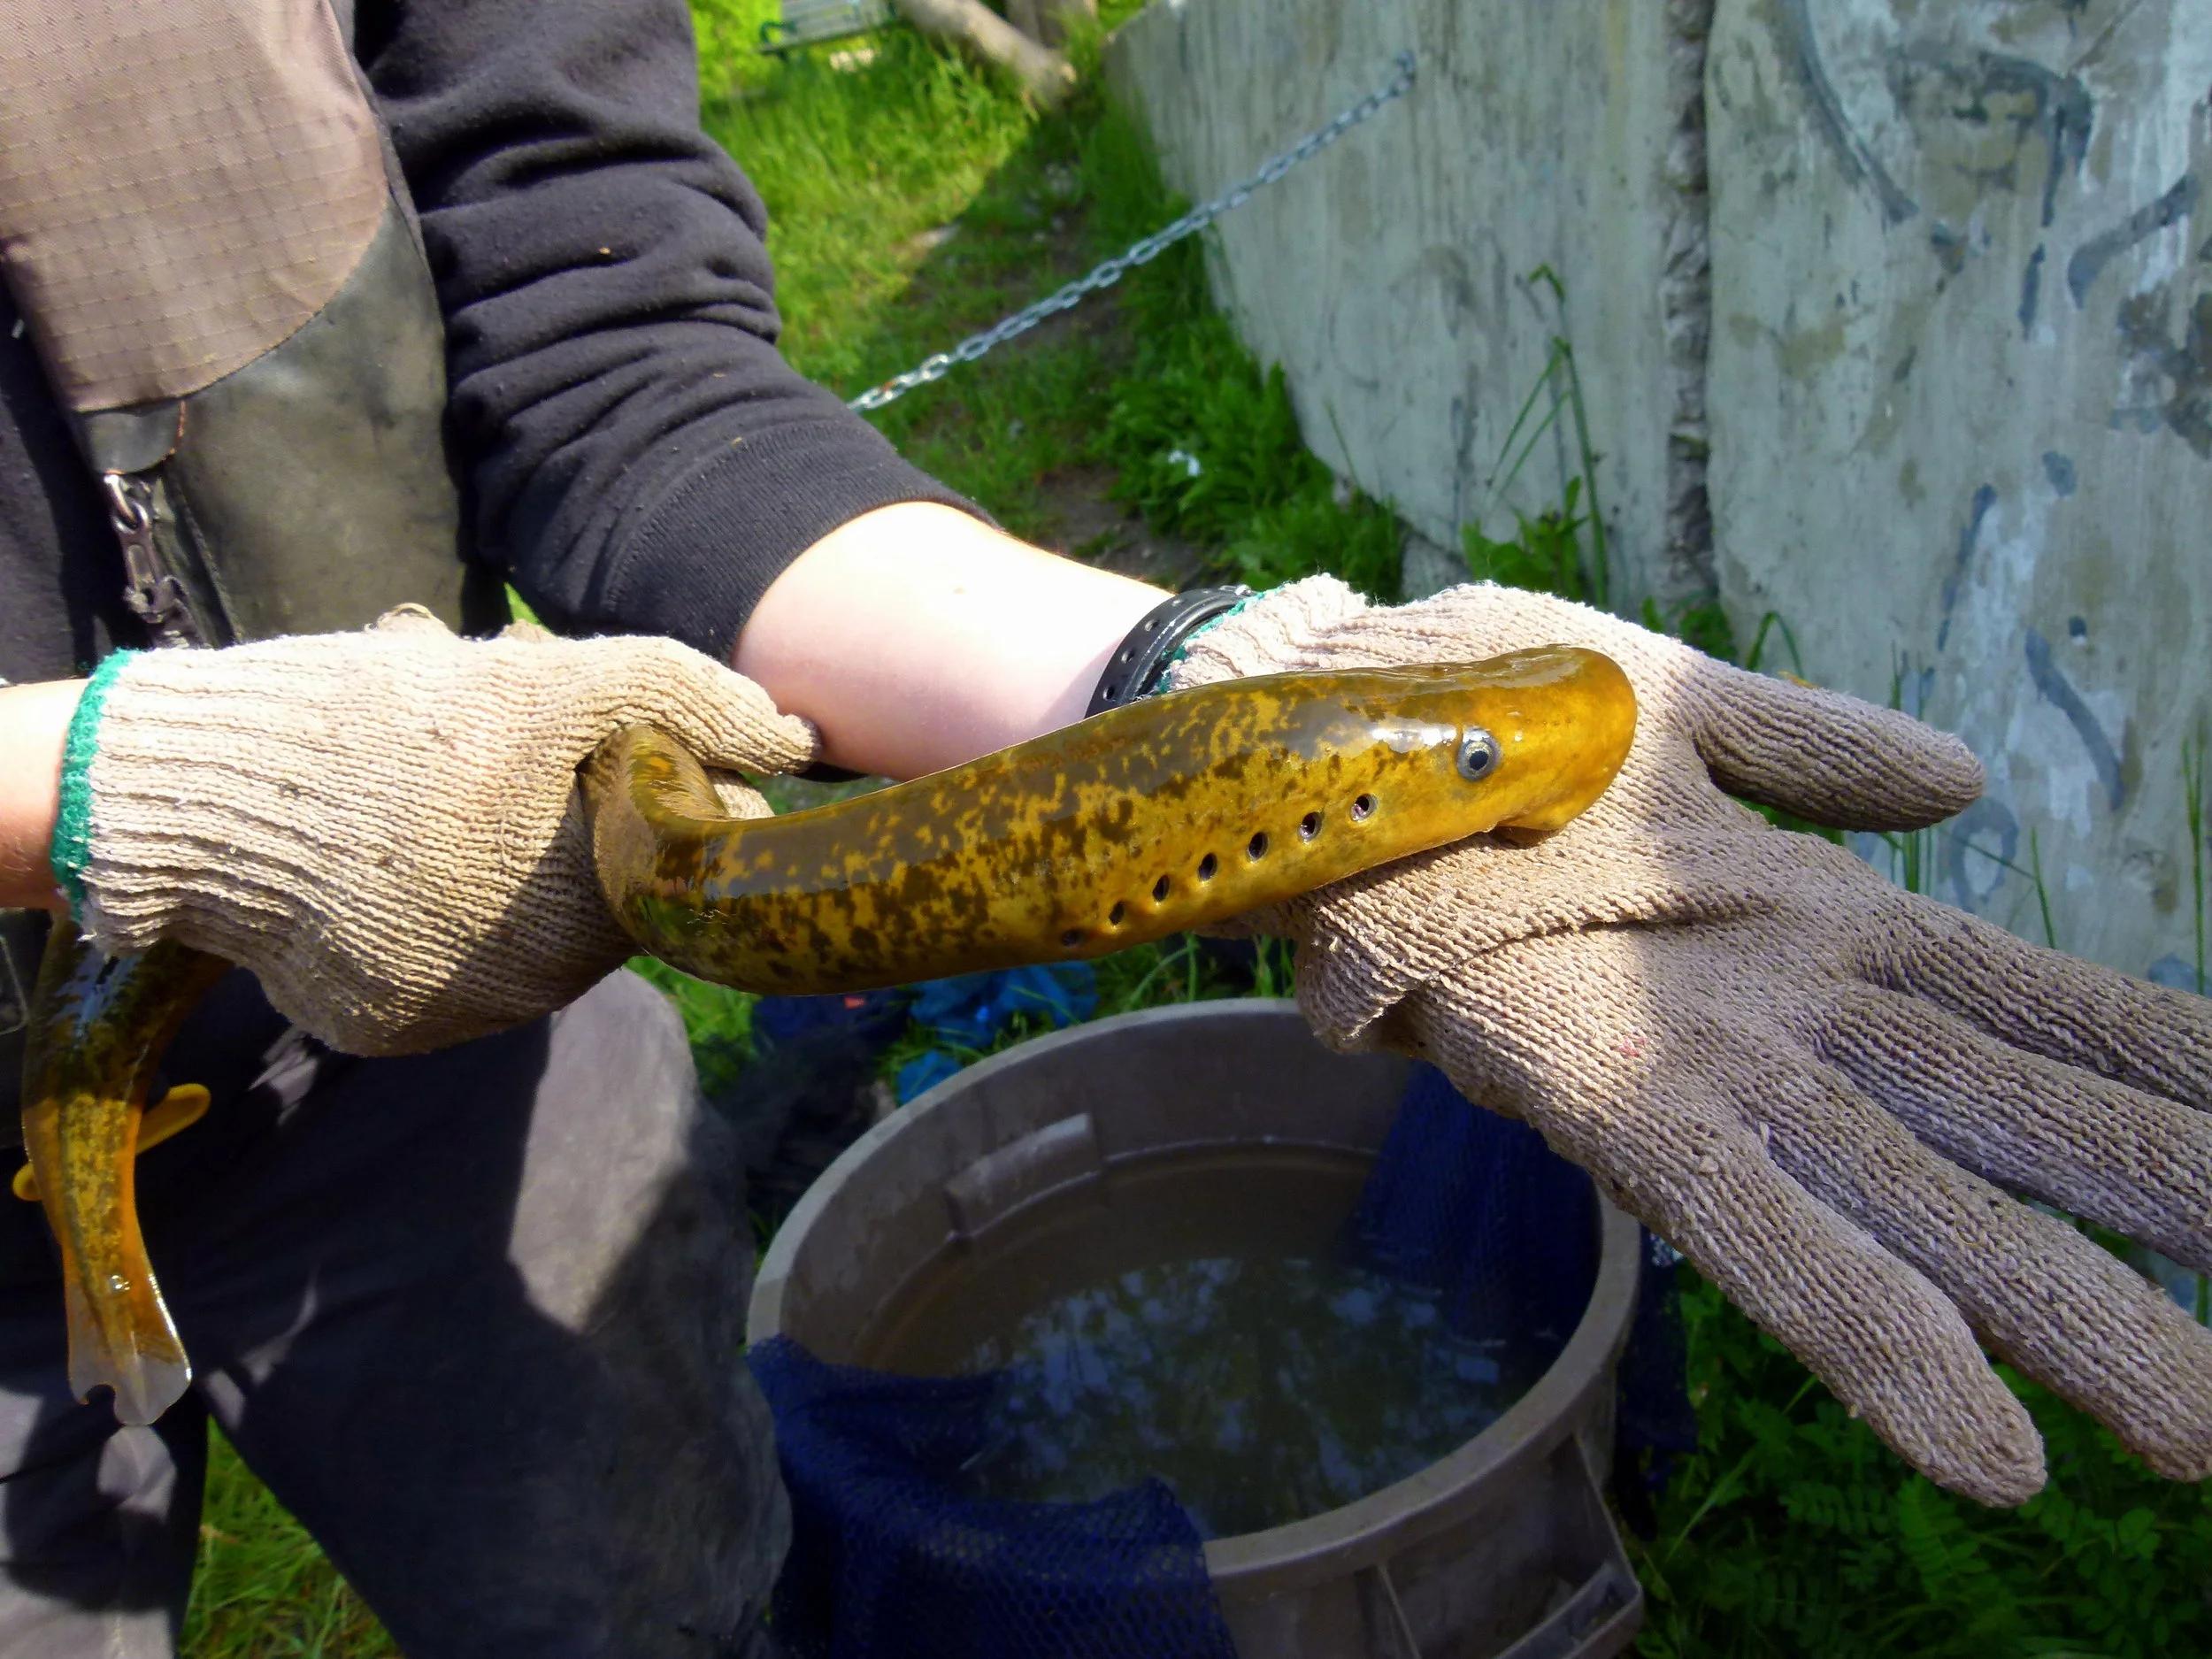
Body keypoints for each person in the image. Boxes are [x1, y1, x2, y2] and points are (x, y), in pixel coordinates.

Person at [1, 1, 2207, 1655]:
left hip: (460, 999)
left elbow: (608, 363)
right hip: (240, 937)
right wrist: (117, 789)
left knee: (654, 1584)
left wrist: (1166, 664)